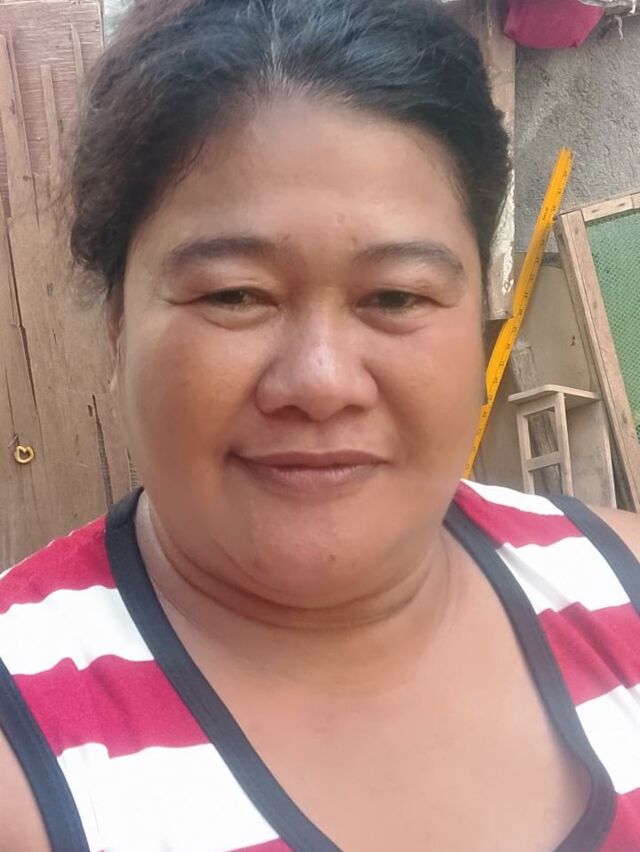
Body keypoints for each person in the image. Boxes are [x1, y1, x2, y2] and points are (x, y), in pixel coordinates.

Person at [1, 0, 639, 850]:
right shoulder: (21, 756)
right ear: (119, 319)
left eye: (396, 297)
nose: (321, 382)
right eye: (236, 294)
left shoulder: (621, 584)